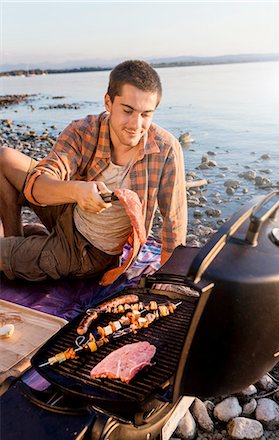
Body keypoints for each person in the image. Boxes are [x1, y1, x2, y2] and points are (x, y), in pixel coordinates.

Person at [0, 60, 187, 284]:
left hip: (89, 251)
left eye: (146, 114)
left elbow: (174, 226)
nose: (136, 125)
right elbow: (39, 185)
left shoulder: (166, 149)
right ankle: (14, 246)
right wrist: (77, 191)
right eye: (127, 111)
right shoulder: (83, 130)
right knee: (4, 158)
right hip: (70, 210)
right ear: (108, 102)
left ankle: (14, 254)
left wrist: (171, 281)